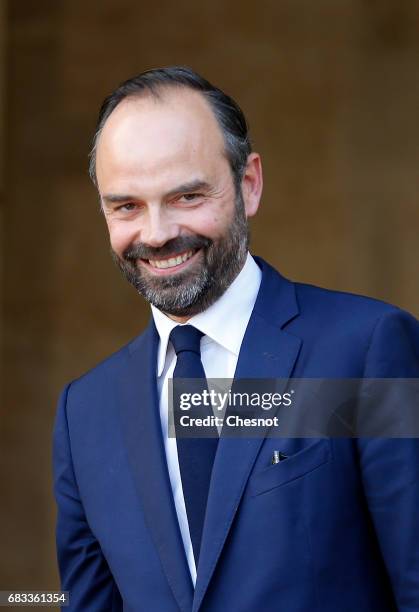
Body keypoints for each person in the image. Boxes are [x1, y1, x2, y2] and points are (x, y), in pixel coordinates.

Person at [53, 66, 419, 612]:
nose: (156, 233)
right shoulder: (85, 413)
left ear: (249, 185)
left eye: (187, 196)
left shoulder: (364, 352)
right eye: (126, 205)